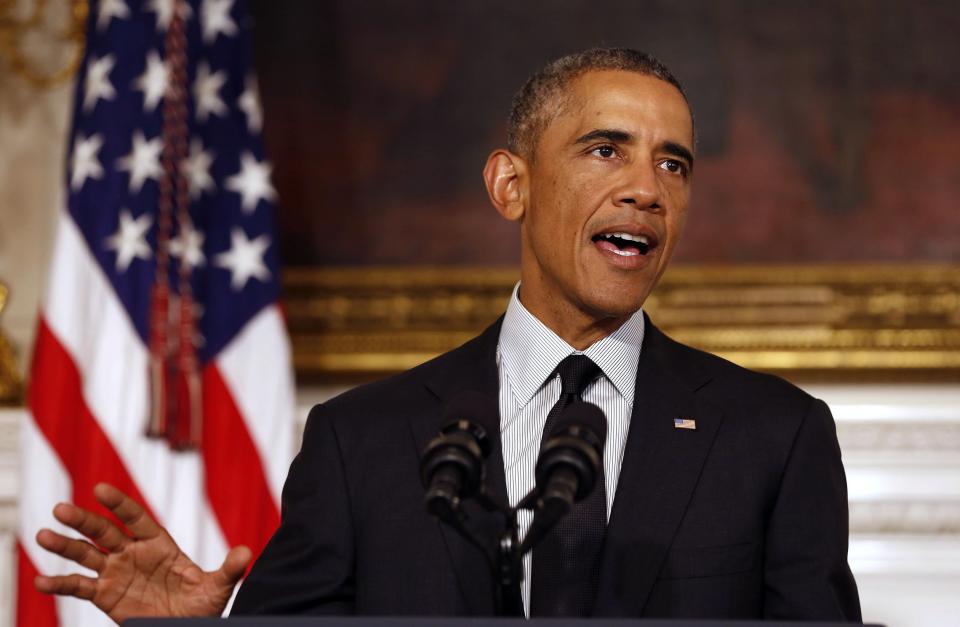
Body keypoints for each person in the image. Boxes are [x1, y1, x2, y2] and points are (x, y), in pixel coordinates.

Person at [34, 48, 862, 622]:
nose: (647, 189)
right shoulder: (362, 441)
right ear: (511, 185)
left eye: (673, 164)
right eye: (606, 150)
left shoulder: (773, 435)